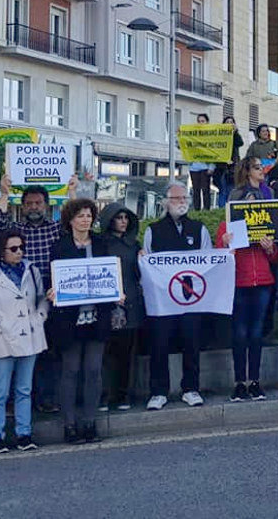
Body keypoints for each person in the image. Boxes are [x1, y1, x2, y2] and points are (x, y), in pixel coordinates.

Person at [0, 175, 77, 414]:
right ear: (22, 206)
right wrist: (3, 193)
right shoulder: (16, 230)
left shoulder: (56, 228)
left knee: (48, 351)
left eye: (38, 203)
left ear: (46, 205)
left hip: (51, 298)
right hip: (21, 298)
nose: (33, 207)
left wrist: (72, 192)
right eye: (29, 203)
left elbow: (79, 221)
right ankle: (18, 400)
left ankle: (47, 398)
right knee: (19, 349)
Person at [0, 230, 48, 454]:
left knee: (24, 389)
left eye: (21, 248)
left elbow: (42, 298)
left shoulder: (32, 271)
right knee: (0, 392)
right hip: (3, 340)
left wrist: (39, 318)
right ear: (1, 252)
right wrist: (4, 326)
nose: (19, 252)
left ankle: (23, 434)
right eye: (13, 249)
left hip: (30, 336)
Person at [143, 183, 213, 411]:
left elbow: (208, 261)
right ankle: (158, 391)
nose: (181, 201)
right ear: (165, 202)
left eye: (184, 197)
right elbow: (148, 265)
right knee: (159, 345)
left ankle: (191, 388)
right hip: (163, 301)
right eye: (176, 198)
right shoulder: (153, 230)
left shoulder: (199, 228)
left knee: (192, 343)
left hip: (191, 299)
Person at [48, 199, 112, 444]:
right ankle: (69, 425)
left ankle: (89, 422)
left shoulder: (102, 244)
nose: (85, 220)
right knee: (71, 371)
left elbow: (110, 275)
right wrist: (52, 291)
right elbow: (52, 276)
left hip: (97, 318)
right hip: (69, 320)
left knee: (94, 370)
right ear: (70, 220)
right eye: (80, 216)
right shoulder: (60, 246)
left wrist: (116, 292)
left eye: (88, 215)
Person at [216, 174, 278, 403]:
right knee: (240, 334)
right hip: (238, 284)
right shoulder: (226, 225)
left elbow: (275, 259)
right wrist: (224, 243)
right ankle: (239, 382)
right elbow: (218, 259)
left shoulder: (266, 223)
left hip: (262, 283)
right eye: (247, 201)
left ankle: (254, 381)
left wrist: (270, 248)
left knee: (256, 334)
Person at [98, 202, 145, 412]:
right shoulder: (100, 243)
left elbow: (140, 274)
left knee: (127, 353)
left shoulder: (135, 245)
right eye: (119, 218)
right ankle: (104, 395)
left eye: (126, 218)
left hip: (131, 302)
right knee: (104, 354)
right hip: (106, 303)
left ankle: (124, 394)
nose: (123, 222)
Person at [215, 116, 244, 208]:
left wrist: (235, 132)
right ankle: (222, 210)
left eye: (231, 122)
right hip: (221, 167)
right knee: (223, 190)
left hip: (233, 168)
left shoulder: (235, 137)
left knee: (231, 190)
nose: (229, 123)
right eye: (227, 122)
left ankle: (230, 210)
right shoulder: (219, 137)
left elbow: (240, 143)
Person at [189, 114, 216, 211]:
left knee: (205, 190)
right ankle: (196, 210)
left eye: (203, 121)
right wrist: (179, 135)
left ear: (207, 122)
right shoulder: (192, 135)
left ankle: (206, 210)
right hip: (194, 167)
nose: (201, 123)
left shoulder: (212, 136)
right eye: (199, 121)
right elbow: (182, 145)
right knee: (196, 190)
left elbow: (215, 152)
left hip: (206, 166)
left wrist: (212, 167)